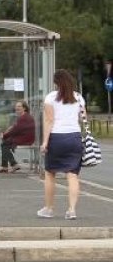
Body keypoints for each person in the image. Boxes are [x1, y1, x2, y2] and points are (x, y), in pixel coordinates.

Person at [38, 69, 86, 220]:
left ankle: (49, 208)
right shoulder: (79, 97)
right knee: (72, 175)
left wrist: (45, 142)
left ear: (56, 83)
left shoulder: (50, 98)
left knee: (50, 173)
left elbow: (49, 120)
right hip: (74, 137)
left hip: (57, 138)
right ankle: (72, 210)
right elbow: (84, 118)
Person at [0, 100, 35, 173]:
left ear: (24, 108)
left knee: (4, 144)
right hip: (25, 137)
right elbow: (15, 128)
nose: (17, 108)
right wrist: (5, 134)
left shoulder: (24, 118)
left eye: (19, 106)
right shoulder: (24, 117)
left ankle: (10, 165)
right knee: (5, 143)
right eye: (16, 106)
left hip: (26, 139)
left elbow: (15, 130)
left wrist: (4, 135)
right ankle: (7, 166)